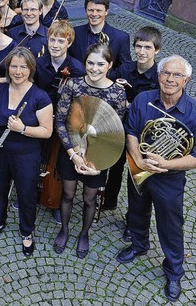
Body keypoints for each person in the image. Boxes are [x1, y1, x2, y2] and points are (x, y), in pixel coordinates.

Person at [116, 55, 196, 302]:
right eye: (166, 73)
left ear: (187, 80)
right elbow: (132, 132)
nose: (170, 79)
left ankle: (173, 271)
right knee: (137, 210)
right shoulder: (143, 99)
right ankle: (139, 245)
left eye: (177, 75)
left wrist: (167, 163)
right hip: (141, 165)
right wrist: (138, 159)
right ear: (159, 75)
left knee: (170, 226)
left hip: (169, 178)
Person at [54, 43, 127, 258]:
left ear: (110, 65)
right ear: (84, 63)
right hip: (71, 150)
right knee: (67, 195)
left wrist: (96, 162)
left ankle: (84, 233)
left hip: (98, 156)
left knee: (89, 199)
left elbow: (114, 133)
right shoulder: (73, 85)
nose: (94, 68)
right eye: (90, 63)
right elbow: (60, 120)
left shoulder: (117, 93)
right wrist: (73, 154)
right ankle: (64, 229)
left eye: (100, 64)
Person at [0, 47, 53, 256]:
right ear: (8, 67)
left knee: (26, 195)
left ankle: (27, 232)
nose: (18, 71)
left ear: (31, 69)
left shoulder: (40, 97)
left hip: (26, 155)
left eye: (23, 67)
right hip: (0, 152)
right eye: (14, 66)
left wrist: (22, 128)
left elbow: (47, 131)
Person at [104, 26, 162, 238]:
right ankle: (109, 202)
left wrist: (129, 104)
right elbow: (107, 86)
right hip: (119, 128)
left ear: (156, 50)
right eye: (138, 46)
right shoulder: (125, 69)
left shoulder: (159, 78)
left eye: (147, 47)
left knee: (138, 178)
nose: (141, 51)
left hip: (144, 136)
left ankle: (133, 221)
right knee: (114, 167)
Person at [34, 21, 85, 223]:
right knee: (35, 157)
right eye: (52, 40)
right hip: (41, 118)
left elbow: (80, 102)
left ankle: (56, 200)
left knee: (60, 164)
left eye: (60, 41)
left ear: (69, 42)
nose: (55, 45)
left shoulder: (77, 69)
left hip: (66, 122)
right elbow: (33, 91)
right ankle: (30, 193)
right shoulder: (39, 63)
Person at [69, 0, 131, 70]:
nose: (94, 14)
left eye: (99, 10)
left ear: (106, 12)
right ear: (86, 11)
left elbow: (125, 68)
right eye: (91, 10)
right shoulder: (74, 32)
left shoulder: (121, 38)